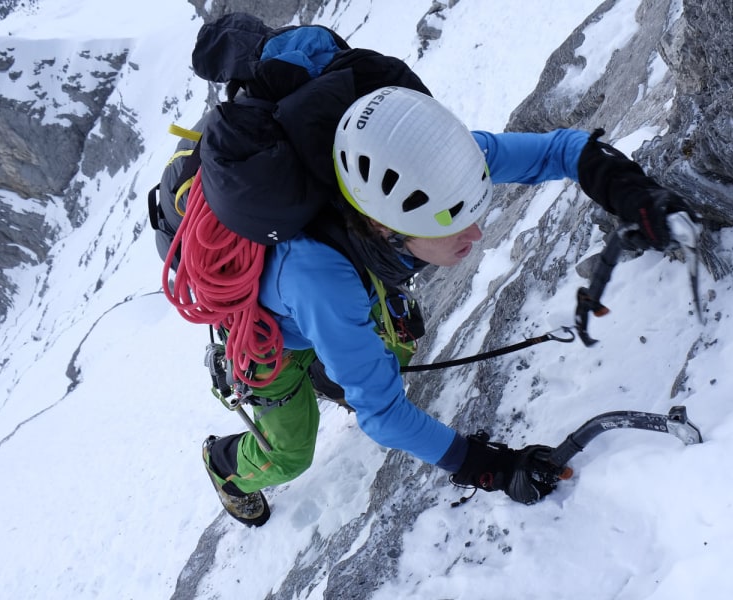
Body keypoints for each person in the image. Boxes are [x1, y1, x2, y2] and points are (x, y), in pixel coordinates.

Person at [169, 18, 688, 527]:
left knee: (394, 350)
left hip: (336, 295)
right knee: (290, 454)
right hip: (274, 342)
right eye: (454, 225)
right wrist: (492, 467)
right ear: (384, 224)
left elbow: (561, 151)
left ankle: (337, 371)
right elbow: (384, 416)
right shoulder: (321, 279)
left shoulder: (429, 172)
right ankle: (225, 467)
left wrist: (630, 190)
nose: (477, 235)